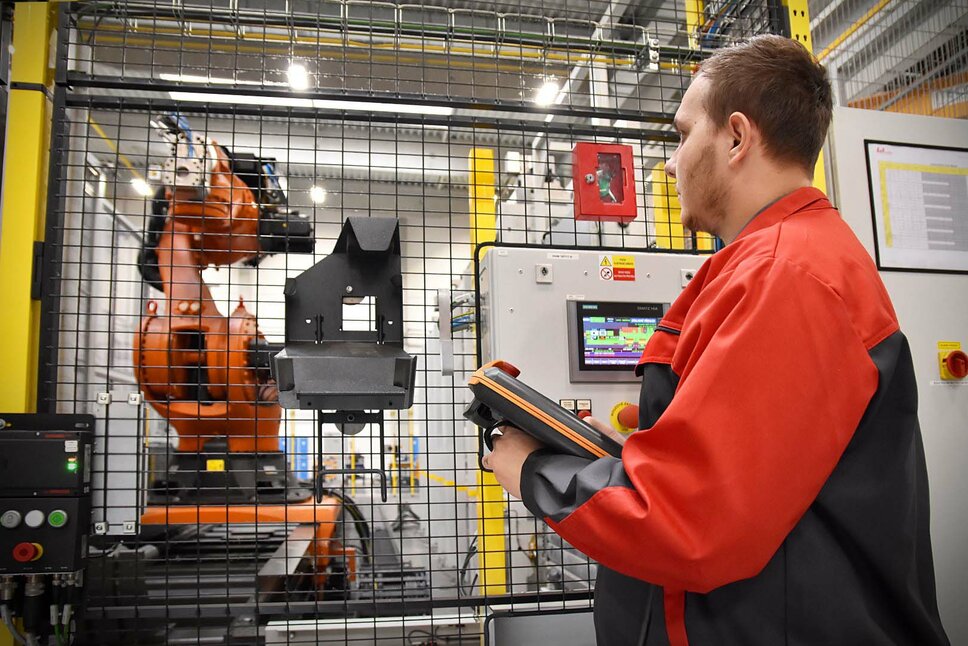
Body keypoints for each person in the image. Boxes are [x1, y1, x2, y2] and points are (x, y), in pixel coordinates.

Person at [482, 35, 950, 646]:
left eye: (681, 134)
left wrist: (535, 470)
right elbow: (731, 473)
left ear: (735, 136)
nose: (671, 163)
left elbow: (691, 520)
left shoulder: (789, 276)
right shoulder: (763, 264)